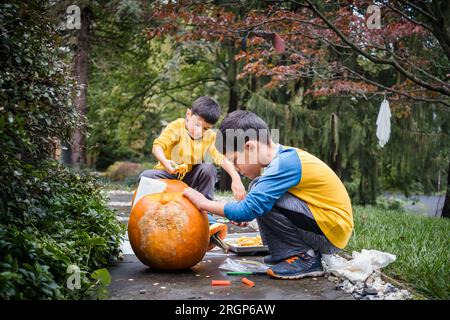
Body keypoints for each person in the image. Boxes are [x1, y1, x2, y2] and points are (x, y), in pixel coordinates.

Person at [183, 110, 353, 279]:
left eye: (235, 160)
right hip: (325, 227)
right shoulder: (281, 160)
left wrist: (203, 202)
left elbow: (247, 209)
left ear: (250, 147)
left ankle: (305, 258)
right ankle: (288, 254)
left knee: (259, 191)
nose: (234, 168)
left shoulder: (285, 163)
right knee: (259, 188)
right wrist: (247, 209)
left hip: (331, 232)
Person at [139, 96, 245, 224]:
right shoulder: (177, 126)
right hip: (168, 174)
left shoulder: (210, 137)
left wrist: (236, 178)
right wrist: (164, 162)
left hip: (190, 178)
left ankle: (207, 212)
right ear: (188, 114)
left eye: (206, 128)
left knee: (208, 167)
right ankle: (144, 212)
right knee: (146, 176)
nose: (200, 131)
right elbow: (158, 146)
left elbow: (221, 158)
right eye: (197, 124)